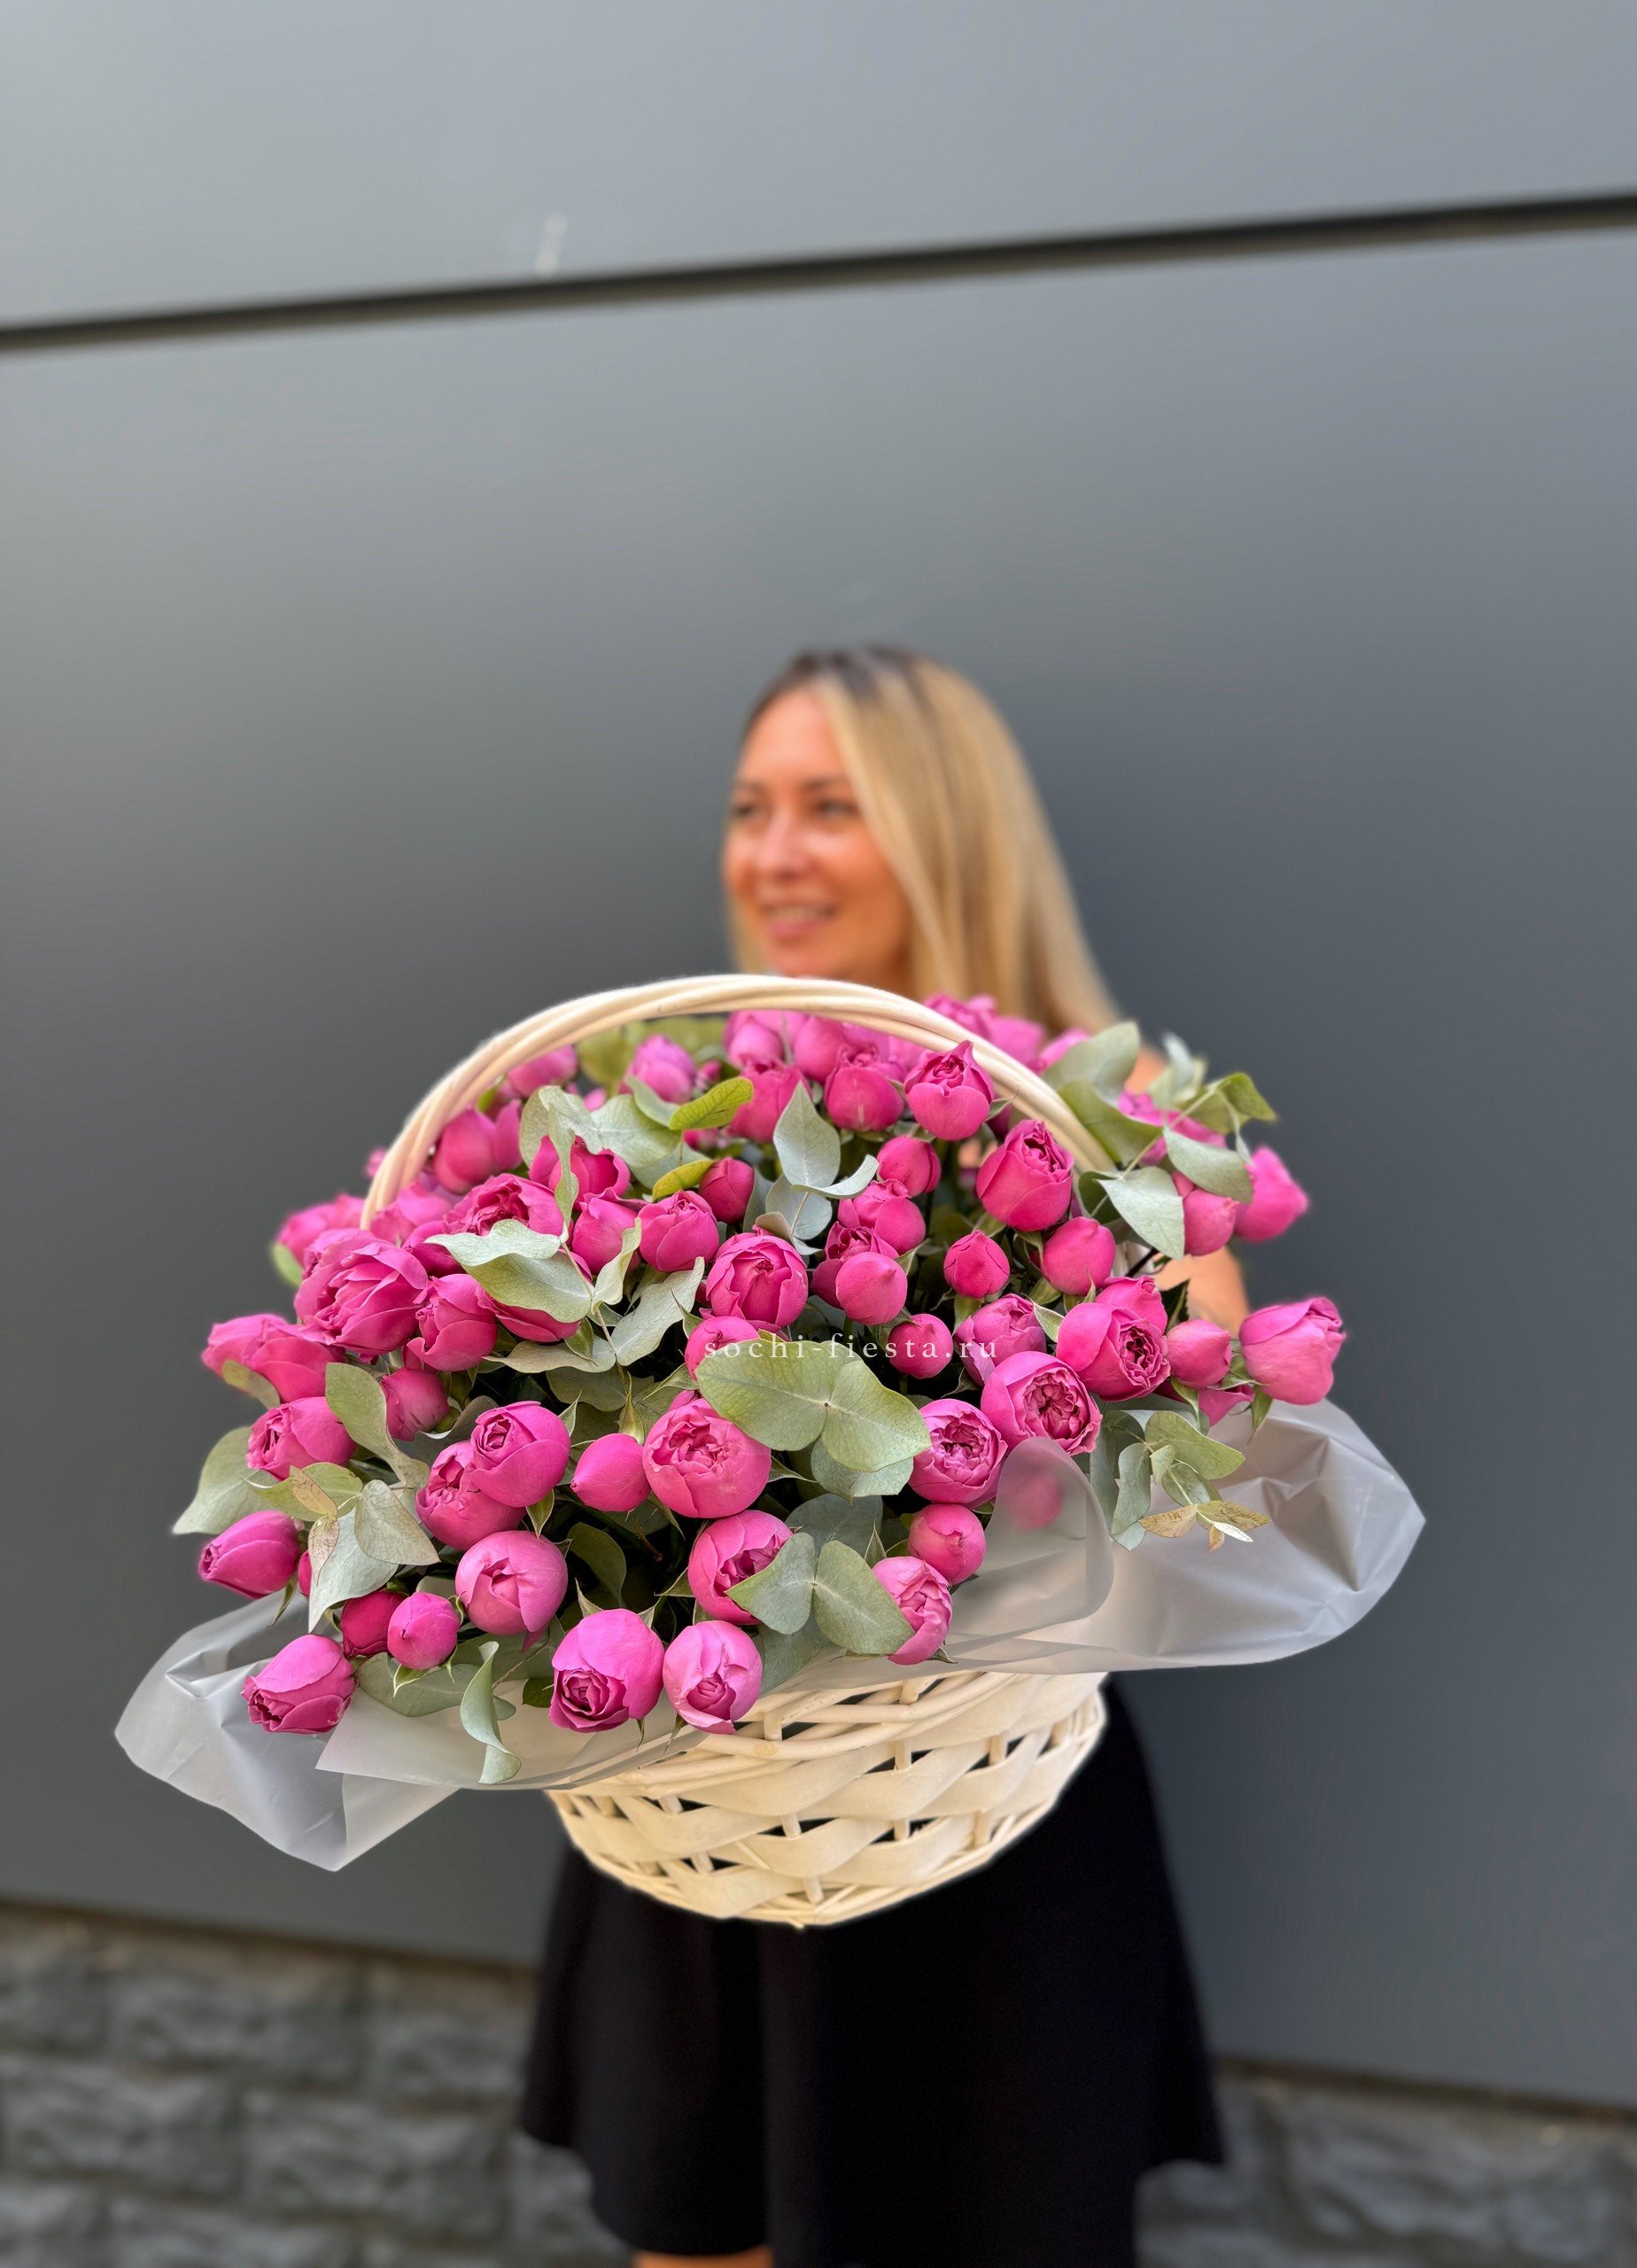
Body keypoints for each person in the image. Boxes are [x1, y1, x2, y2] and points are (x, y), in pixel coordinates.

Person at [522, 648, 1239, 2268]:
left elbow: (1208, 1446)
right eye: (750, 809)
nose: (772, 854)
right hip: (709, 1796)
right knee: (697, 2239)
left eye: (830, 808)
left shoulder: (1117, 1116)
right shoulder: (684, 1110)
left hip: (979, 1812)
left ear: (945, 833)